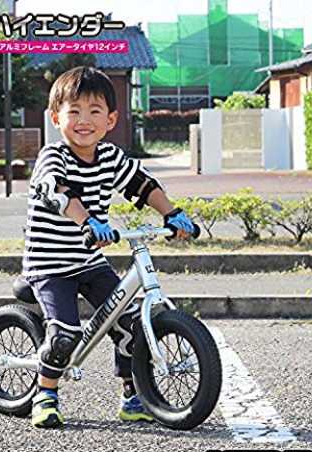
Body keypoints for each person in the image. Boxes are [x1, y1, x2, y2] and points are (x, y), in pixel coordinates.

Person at [22, 66, 196, 428]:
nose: (84, 120)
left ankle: (132, 396)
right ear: (56, 118)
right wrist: (87, 221)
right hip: (50, 265)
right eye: (74, 111)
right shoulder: (53, 157)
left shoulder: (110, 157)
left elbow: (142, 184)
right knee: (65, 334)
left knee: (131, 322)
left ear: (111, 120)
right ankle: (45, 393)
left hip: (89, 260)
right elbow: (59, 192)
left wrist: (173, 213)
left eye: (94, 111)